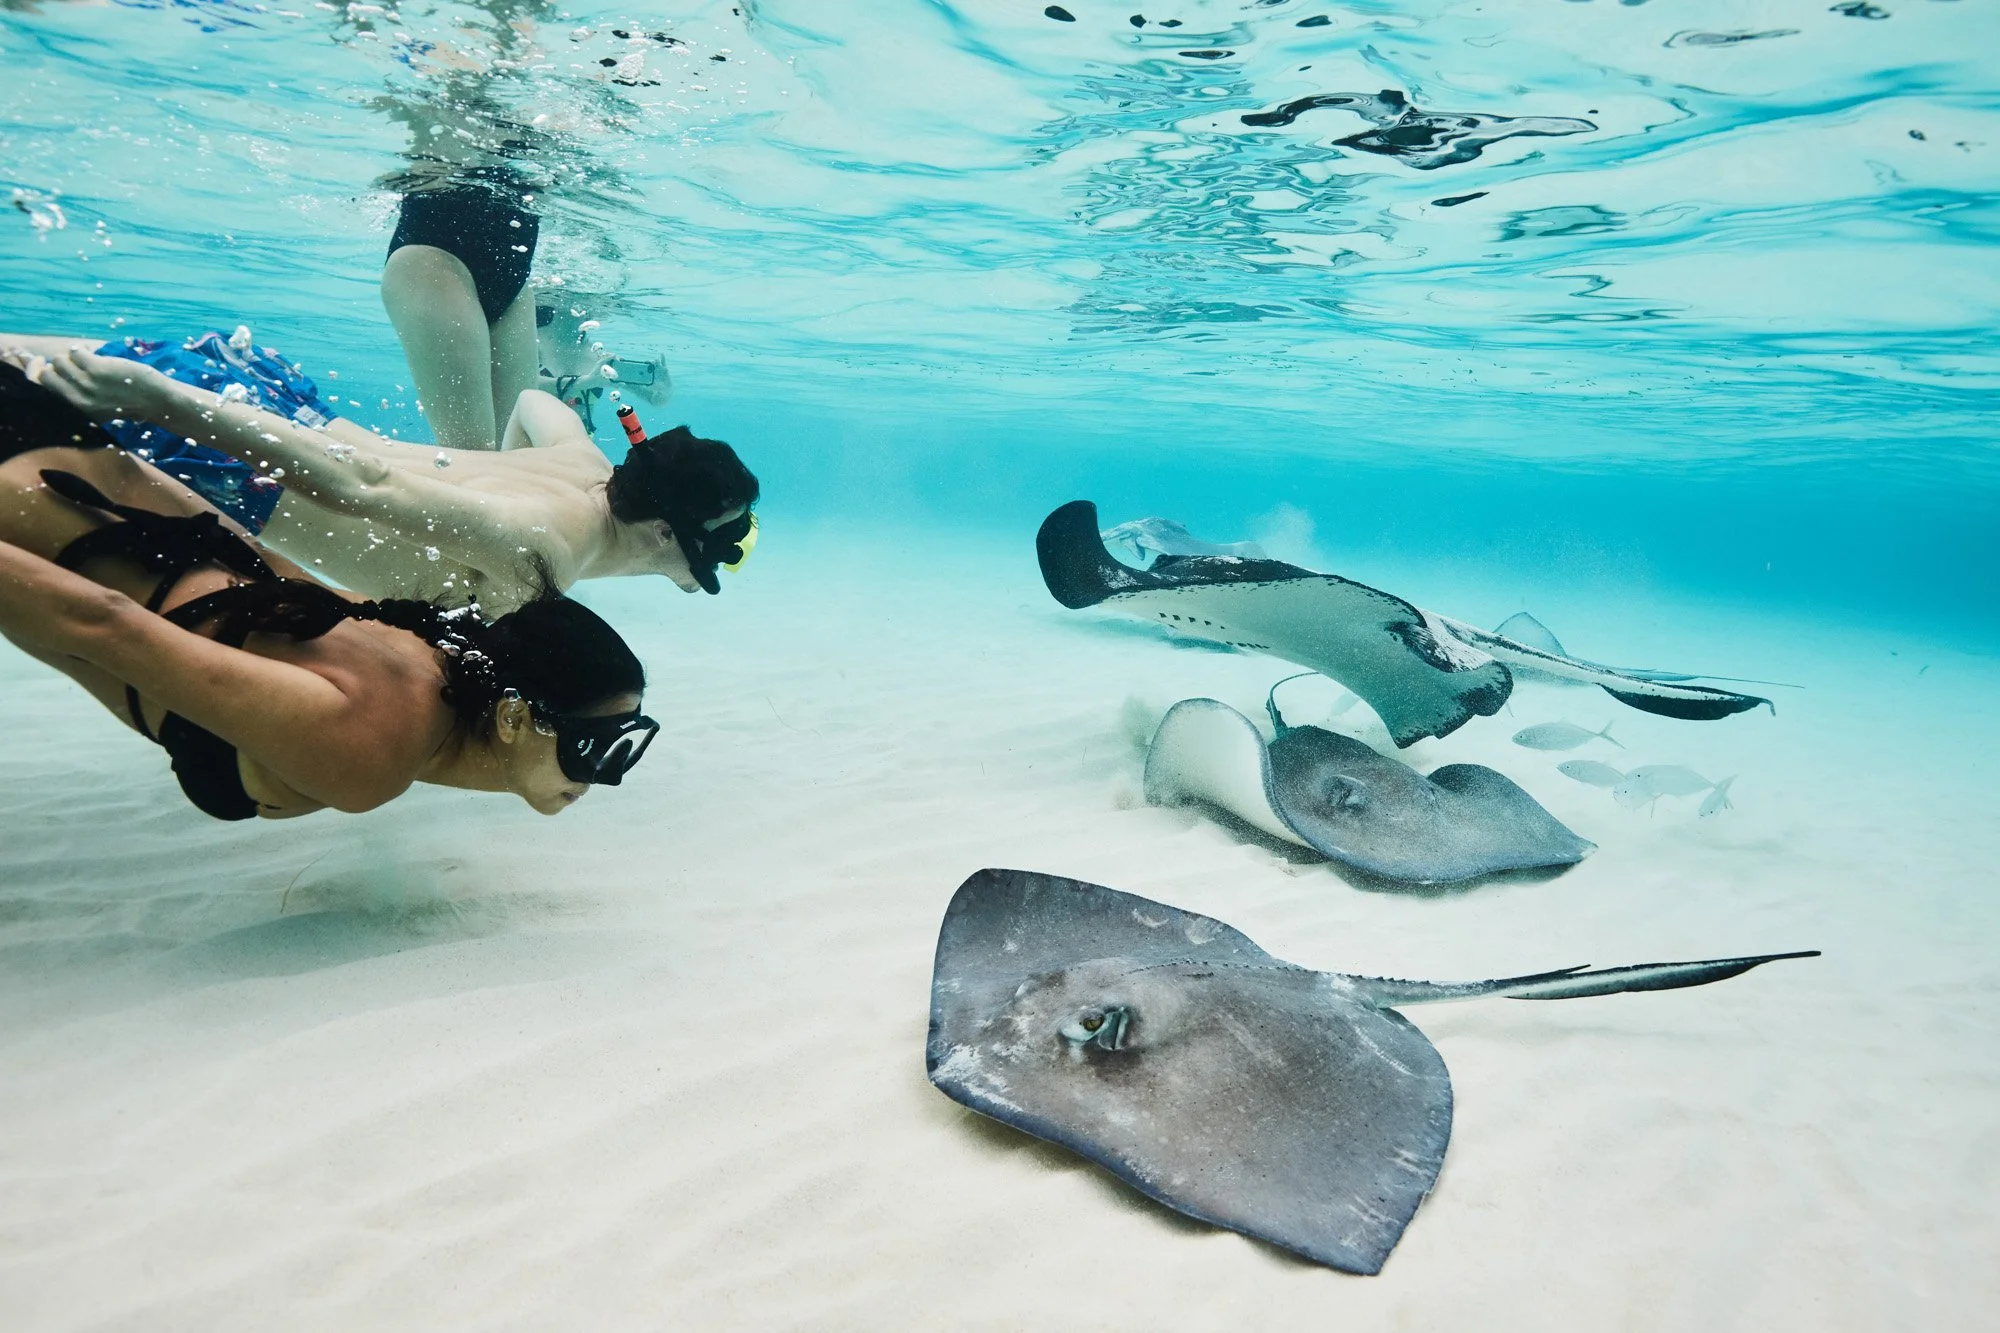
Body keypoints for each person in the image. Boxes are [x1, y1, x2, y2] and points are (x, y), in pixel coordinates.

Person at [0, 361, 659, 821]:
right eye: (595, 746)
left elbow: (261, 558)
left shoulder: (422, 648)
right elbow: (101, 623)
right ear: (514, 715)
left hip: (70, 455)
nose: (605, 774)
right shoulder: (372, 753)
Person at [4, 337, 760, 615]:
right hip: (232, 456)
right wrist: (166, 402)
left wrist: (490, 465)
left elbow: (533, 399)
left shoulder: (583, 460)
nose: (692, 572)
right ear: (664, 530)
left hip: (268, 398)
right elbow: (368, 487)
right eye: (694, 556)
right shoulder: (546, 552)